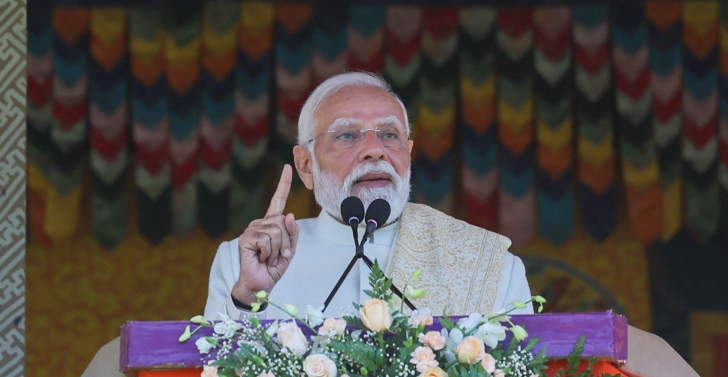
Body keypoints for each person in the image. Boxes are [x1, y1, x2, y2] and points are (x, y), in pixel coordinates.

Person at [204, 71, 532, 320]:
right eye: (347, 135)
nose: (375, 150)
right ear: (306, 165)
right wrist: (249, 296)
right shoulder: (243, 264)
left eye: (390, 135)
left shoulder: (490, 265)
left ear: (409, 154)